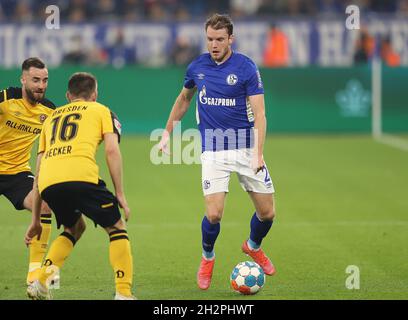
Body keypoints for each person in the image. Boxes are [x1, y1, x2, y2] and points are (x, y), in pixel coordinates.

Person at [159, 14, 277, 290]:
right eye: (210, 39)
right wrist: (167, 132)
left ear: (230, 39)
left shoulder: (246, 68)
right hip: (213, 148)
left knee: (268, 213)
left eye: (219, 39)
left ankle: (252, 245)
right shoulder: (197, 67)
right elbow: (183, 99)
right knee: (213, 215)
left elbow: (260, 113)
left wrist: (258, 153)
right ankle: (208, 257)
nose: (214, 44)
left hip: (247, 147)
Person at [24, 72, 135, 300]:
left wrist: (36, 220)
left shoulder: (52, 117)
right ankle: (123, 293)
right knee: (116, 227)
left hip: (49, 183)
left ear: (67, 95)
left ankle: (42, 281)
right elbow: (112, 151)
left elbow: (38, 172)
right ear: (94, 95)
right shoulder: (101, 110)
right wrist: (120, 193)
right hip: (81, 177)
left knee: (74, 228)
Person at [0, 57, 56, 285]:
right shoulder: (5, 99)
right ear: (23, 79)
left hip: (17, 174)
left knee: (45, 204)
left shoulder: (50, 111)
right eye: (35, 80)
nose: (40, 85)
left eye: (44, 80)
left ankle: (34, 274)